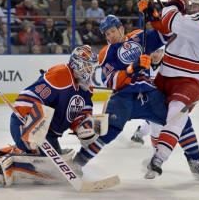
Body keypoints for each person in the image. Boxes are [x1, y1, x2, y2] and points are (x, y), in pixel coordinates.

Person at [0, 45, 100, 186]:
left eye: (92, 66)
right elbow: (29, 96)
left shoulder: (87, 87)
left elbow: (79, 113)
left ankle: (7, 152)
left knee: (54, 171)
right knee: (42, 158)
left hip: (48, 135)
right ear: (77, 63)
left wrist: (83, 127)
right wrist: (31, 120)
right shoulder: (60, 74)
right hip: (26, 123)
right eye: (88, 66)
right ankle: (1, 165)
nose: (91, 70)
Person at [137, 0, 199, 179]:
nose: (193, 9)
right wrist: (153, 16)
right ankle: (190, 160)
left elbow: (172, 21)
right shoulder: (195, 21)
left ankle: (160, 157)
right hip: (166, 75)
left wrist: (173, 4)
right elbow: (166, 28)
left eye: (197, 5)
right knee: (162, 118)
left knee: (176, 114)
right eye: (192, 5)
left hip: (188, 80)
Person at [70, 15, 169, 175]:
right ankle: (78, 161)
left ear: (121, 28)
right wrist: (131, 69)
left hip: (149, 97)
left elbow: (165, 32)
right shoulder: (107, 52)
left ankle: (156, 159)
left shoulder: (139, 37)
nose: (110, 36)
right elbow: (111, 81)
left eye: (112, 31)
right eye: (107, 34)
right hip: (124, 98)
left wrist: (154, 15)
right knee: (105, 132)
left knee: (168, 124)